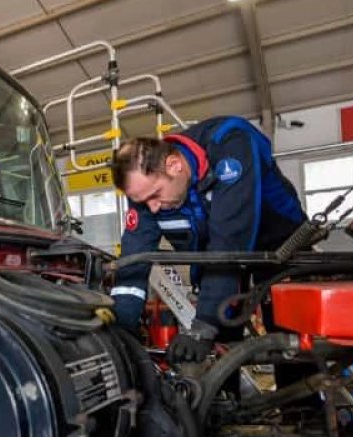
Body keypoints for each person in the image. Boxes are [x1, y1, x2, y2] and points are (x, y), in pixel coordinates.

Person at [109, 116, 307, 362]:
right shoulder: (146, 190)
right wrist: (121, 330)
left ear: (174, 165)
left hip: (279, 242)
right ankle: (227, 398)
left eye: (156, 195)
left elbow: (229, 240)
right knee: (221, 336)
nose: (154, 208)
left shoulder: (229, 144)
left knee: (286, 331)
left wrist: (203, 326)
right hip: (216, 255)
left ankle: (300, 400)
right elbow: (134, 257)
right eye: (143, 201)